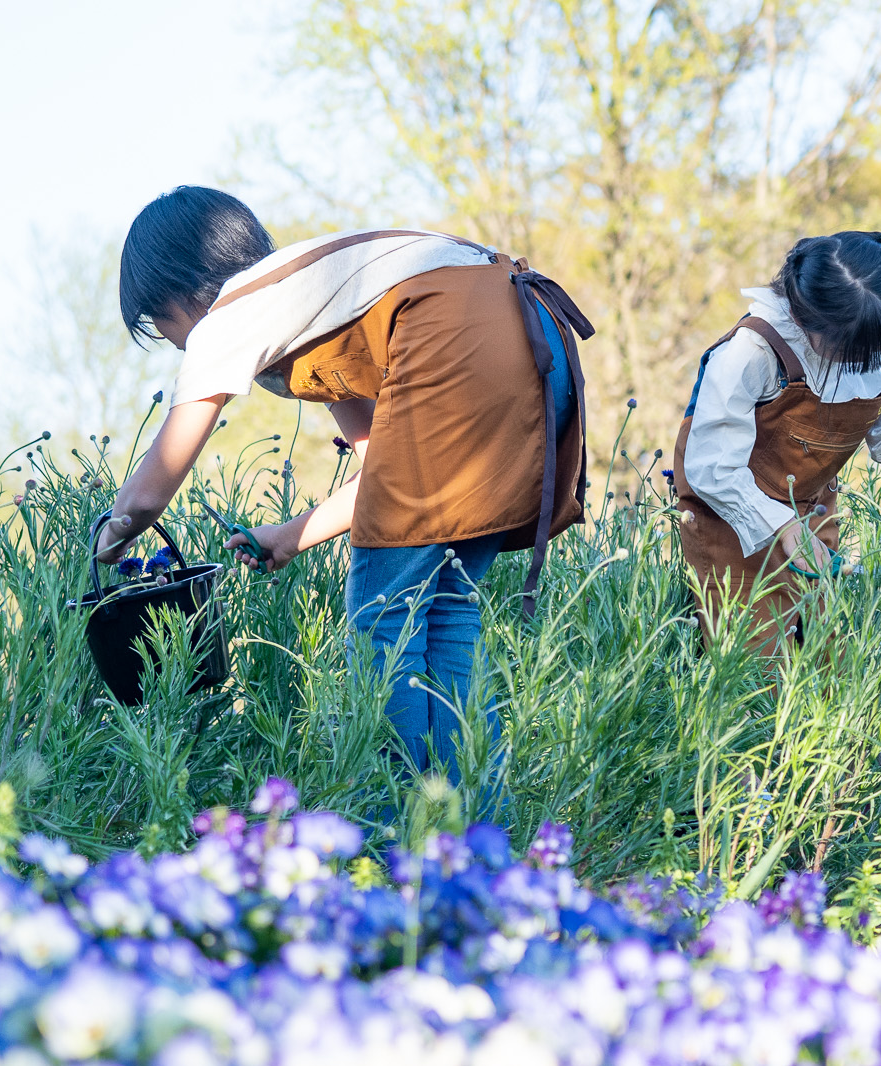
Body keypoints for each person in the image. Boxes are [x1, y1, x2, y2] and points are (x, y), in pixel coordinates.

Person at [96, 186, 591, 775]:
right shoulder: (310, 298)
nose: (171, 340)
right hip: (534, 336)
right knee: (448, 616)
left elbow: (153, 488)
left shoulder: (230, 311)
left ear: (177, 292)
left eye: (158, 322)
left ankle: (393, 835)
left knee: (381, 619)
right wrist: (289, 536)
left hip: (455, 336)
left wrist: (111, 537)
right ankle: (471, 830)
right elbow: (383, 463)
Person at [670, 231, 881, 651]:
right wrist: (782, 527)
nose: (859, 359)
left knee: (822, 655)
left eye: (867, 350)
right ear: (806, 317)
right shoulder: (754, 351)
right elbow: (710, 467)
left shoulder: (877, 343)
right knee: (755, 662)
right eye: (847, 347)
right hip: (730, 516)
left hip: (814, 512)